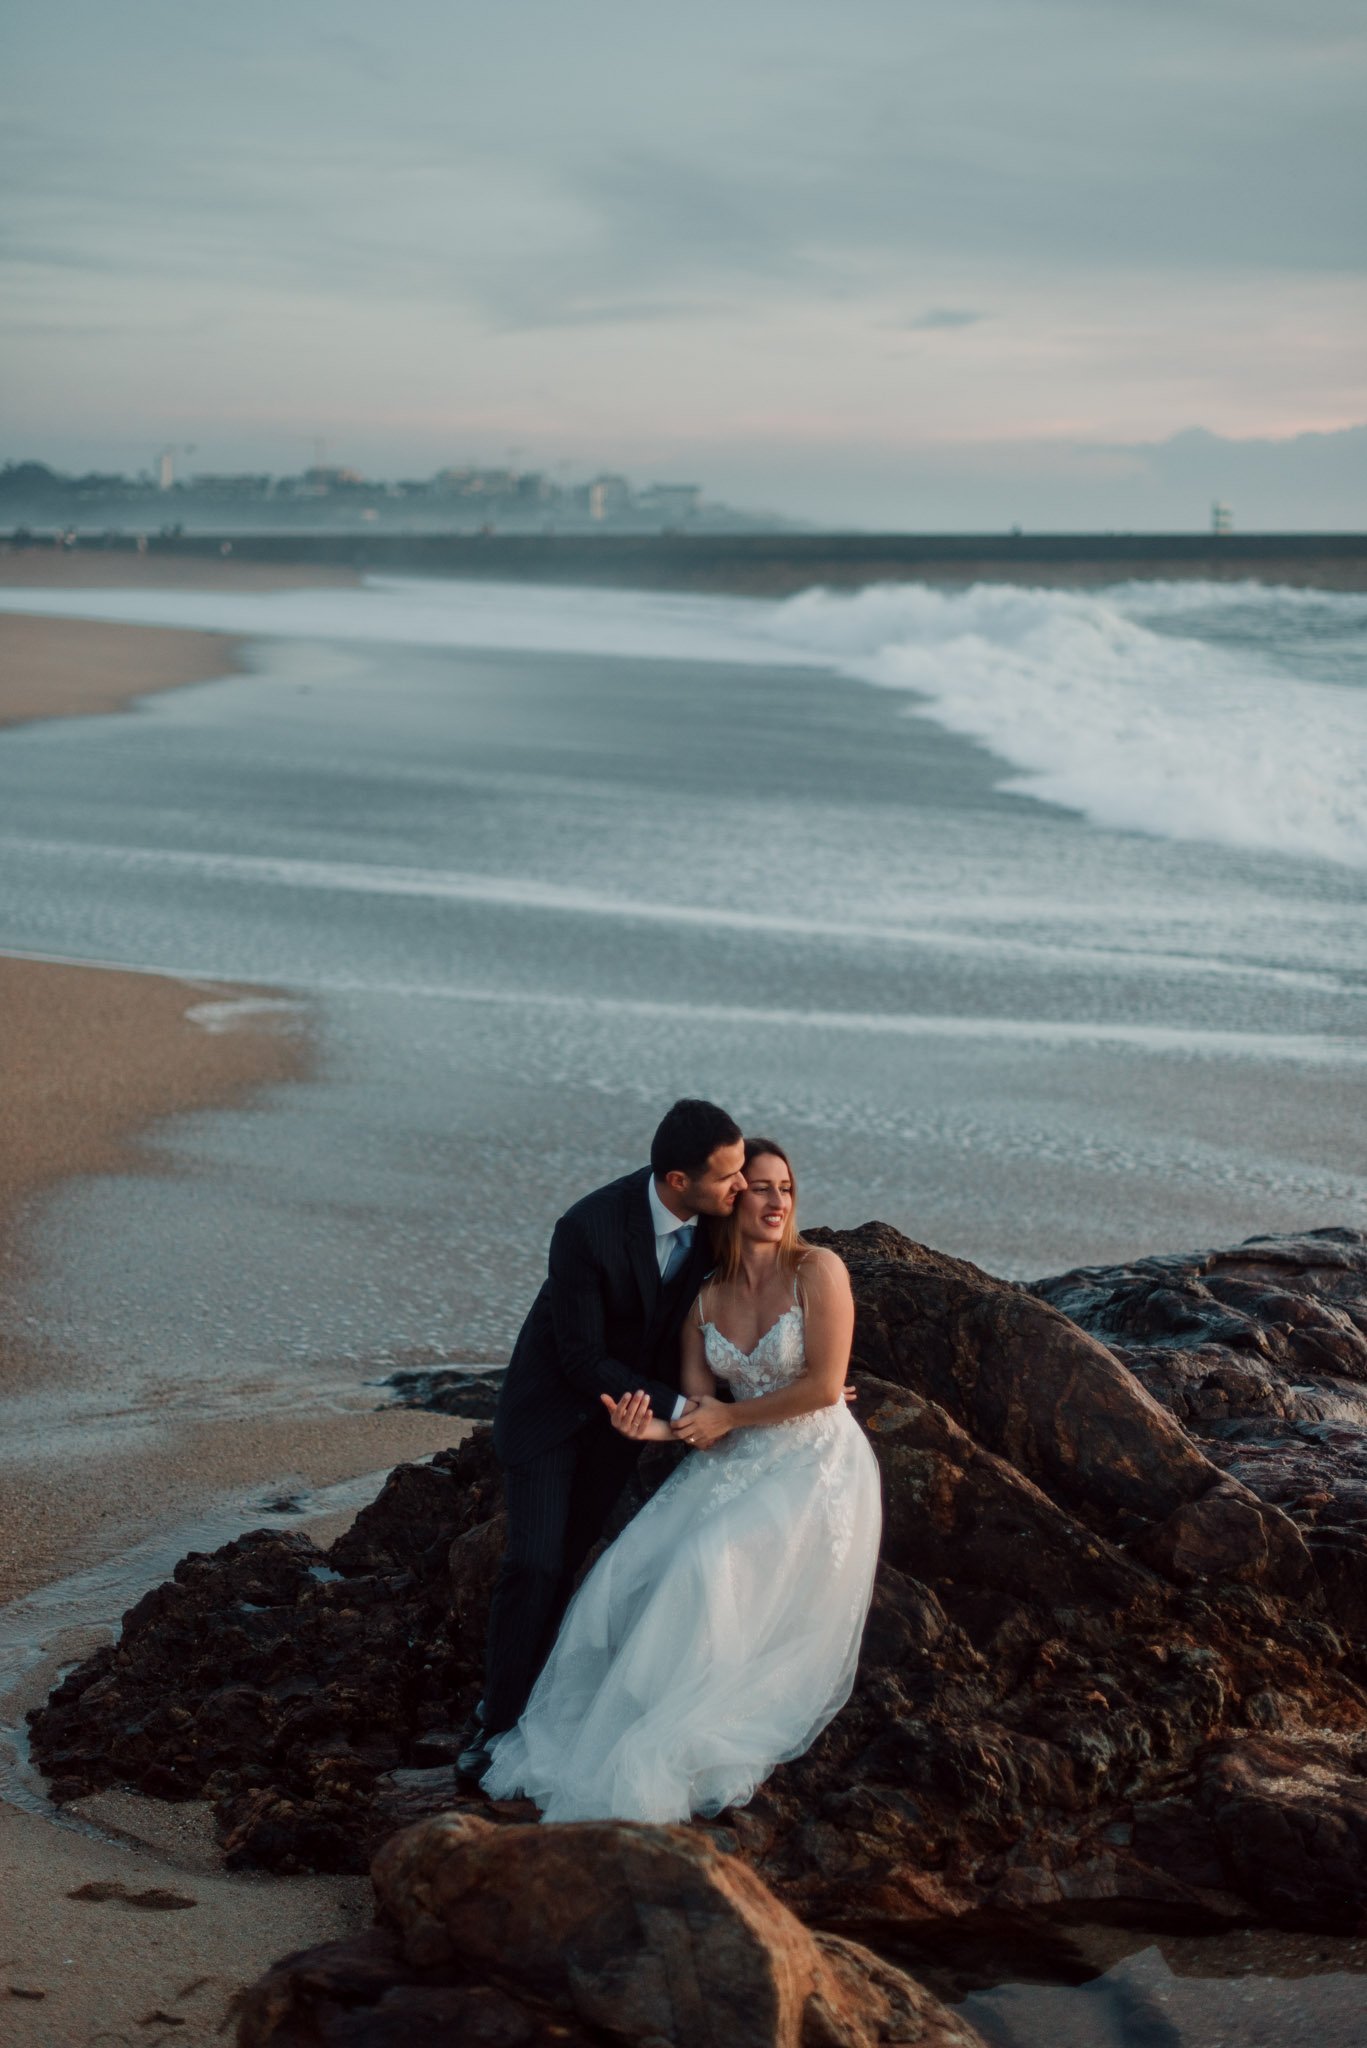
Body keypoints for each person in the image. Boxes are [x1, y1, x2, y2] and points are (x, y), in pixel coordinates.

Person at [479, 1136, 882, 1823]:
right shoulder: (704, 1299)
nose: (776, 1200)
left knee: (706, 1559)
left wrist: (735, 1413)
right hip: (731, 1458)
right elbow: (700, 1416)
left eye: (785, 1187)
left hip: (816, 1460)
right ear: (732, 1198)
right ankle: (584, 1722)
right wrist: (653, 1432)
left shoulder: (818, 1269)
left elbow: (821, 1388)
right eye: (759, 1186)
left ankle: (683, 1726)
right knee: (623, 1575)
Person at [457, 1098, 747, 1780]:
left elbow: (769, 1273)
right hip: (552, 1413)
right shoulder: (587, 1228)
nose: (740, 1186)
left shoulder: (718, 1220)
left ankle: (542, 1706)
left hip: (624, 1427)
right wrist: (685, 1409)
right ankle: (495, 1720)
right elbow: (582, 1358)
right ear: (678, 1181)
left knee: (571, 1562)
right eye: (727, 1175)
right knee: (533, 1564)